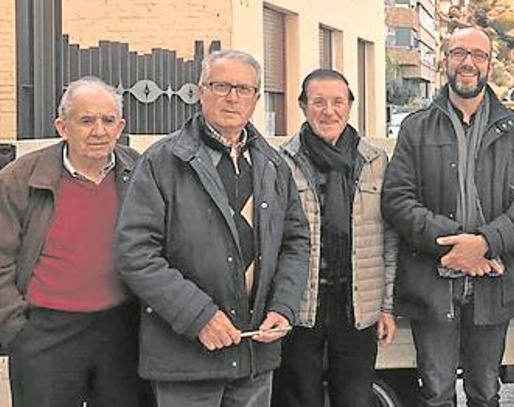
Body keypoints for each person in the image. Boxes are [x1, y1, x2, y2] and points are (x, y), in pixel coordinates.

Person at [116, 49, 311, 407]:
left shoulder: (272, 164)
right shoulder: (162, 162)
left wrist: (283, 308)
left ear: (256, 98)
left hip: (253, 356)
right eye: (221, 86)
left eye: (243, 88)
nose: (232, 97)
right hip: (187, 358)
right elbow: (136, 254)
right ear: (200, 90)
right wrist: (200, 316)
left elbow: (296, 242)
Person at [382, 27, 514, 407]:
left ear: (490, 64)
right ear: (445, 60)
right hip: (432, 278)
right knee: (436, 391)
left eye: (478, 55)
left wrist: (486, 243)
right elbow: (397, 199)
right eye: (459, 53)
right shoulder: (416, 127)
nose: (468, 62)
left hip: (495, 282)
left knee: (485, 390)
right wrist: (455, 243)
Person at [0, 77, 146, 406]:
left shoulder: (139, 171)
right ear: (62, 127)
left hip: (120, 329)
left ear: (120, 126)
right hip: (44, 333)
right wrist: (16, 329)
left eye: (108, 120)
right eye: (86, 120)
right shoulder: (20, 178)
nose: (99, 130)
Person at [273, 69, 398, 407]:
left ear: (350, 106)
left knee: (355, 398)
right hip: (302, 304)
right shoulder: (282, 162)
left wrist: (386, 307)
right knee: (298, 398)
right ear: (303, 106)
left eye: (337, 102)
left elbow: (388, 239)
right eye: (318, 102)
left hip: (357, 304)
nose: (329, 111)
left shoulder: (375, 161)